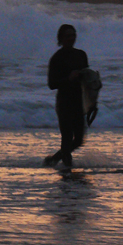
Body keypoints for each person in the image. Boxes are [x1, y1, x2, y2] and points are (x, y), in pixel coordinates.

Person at [45, 24, 89, 168]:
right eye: (68, 36)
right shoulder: (57, 58)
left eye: (73, 35)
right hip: (64, 102)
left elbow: (86, 78)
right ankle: (67, 171)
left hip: (79, 101)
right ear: (61, 38)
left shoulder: (81, 55)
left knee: (79, 140)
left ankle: (53, 160)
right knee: (67, 138)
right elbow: (52, 84)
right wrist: (68, 78)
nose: (71, 38)